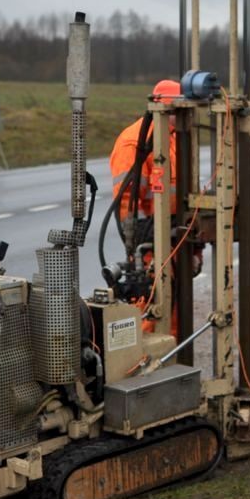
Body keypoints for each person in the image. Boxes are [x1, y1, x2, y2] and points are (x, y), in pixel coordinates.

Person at [109, 80, 181, 334]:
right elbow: (127, 201)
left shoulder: (174, 138)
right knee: (153, 308)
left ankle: (174, 362)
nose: (179, 118)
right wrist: (143, 241)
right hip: (149, 245)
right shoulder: (134, 143)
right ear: (160, 108)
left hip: (174, 239)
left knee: (176, 310)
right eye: (175, 112)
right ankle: (147, 365)